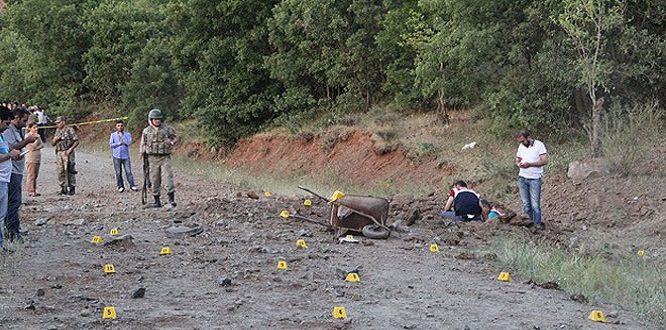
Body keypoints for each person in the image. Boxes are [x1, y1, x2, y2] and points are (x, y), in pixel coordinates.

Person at [2, 107, 37, 243]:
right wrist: (27, 141)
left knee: (15, 202)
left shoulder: (19, 130)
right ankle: (11, 232)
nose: (26, 122)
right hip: (11, 172)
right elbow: (11, 148)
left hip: (17, 170)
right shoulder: (8, 130)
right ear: (16, 117)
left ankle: (13, 229)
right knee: (12, 202)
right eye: (24, 119)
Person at [140, 109, 178, 208]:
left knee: (168, 178)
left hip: (165, 157)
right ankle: (156, 200)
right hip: (152, 158)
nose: (158, 121)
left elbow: (176, 138)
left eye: (159, 119)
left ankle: (171, 199)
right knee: (155, 179)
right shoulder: (146, 131)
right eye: (155, 119)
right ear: (151, 120)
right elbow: (143, 143)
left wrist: (171, 141)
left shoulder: (167, 129)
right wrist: (142, 152)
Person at [515, 129, 549, 229]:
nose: (521, 143)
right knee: (526, 204)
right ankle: (529, 224)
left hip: (534, 178)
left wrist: (530, 164)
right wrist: (519, 163)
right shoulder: (521, 146)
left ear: (528, 137)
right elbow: (518, 158)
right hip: (522, 177)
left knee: (535, 205)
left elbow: (544, 160)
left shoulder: (539, 145)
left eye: (522, 141)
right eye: (520, 142)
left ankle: (537, 225)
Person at [0, 110, 21, 251]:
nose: (8, 127)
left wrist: (12, 154)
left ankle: (1, 244)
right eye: (6, 123)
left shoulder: (1, 136)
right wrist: (10, 155)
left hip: (4, 179)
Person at [51, 116, 79, 195]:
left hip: (68, 152)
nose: (57, 124)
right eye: (56, 123)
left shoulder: (70, 130)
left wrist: (70, 149)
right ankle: (63, 187)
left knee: (70, 169)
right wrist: (55, 140)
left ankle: (72, 187)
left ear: (63, 122)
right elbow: (52, 143)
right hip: (59, 152)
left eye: (59, 123)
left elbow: (76, 141)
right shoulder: (57, 131)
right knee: (60, 170)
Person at [109, 119, 137, 192]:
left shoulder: (127, 134)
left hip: (125, 156)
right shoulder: (113, 135)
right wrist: (119, 143)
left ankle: (132, 185)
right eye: (118, 126)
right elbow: (111, 145)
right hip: (116, 156)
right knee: (118, 172)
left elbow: (129, 142)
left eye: (121, 126)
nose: (120, 127)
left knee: (128, 171)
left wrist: (122, 137)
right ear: (116, 127)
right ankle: (120, 186)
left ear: (123, 126)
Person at [25, 121, 44, 197]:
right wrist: (36, 140)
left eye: (36, 127)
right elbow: (31, 146)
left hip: (37, 157)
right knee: (31, 174)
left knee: (35, 174)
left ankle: (34, 189)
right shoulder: (28, 136)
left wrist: (37, 146)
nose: (36, 129)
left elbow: (42, 145)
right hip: (31, 158)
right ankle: (30, 190)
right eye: (34, 128)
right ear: (30, 128)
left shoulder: (38, 136)